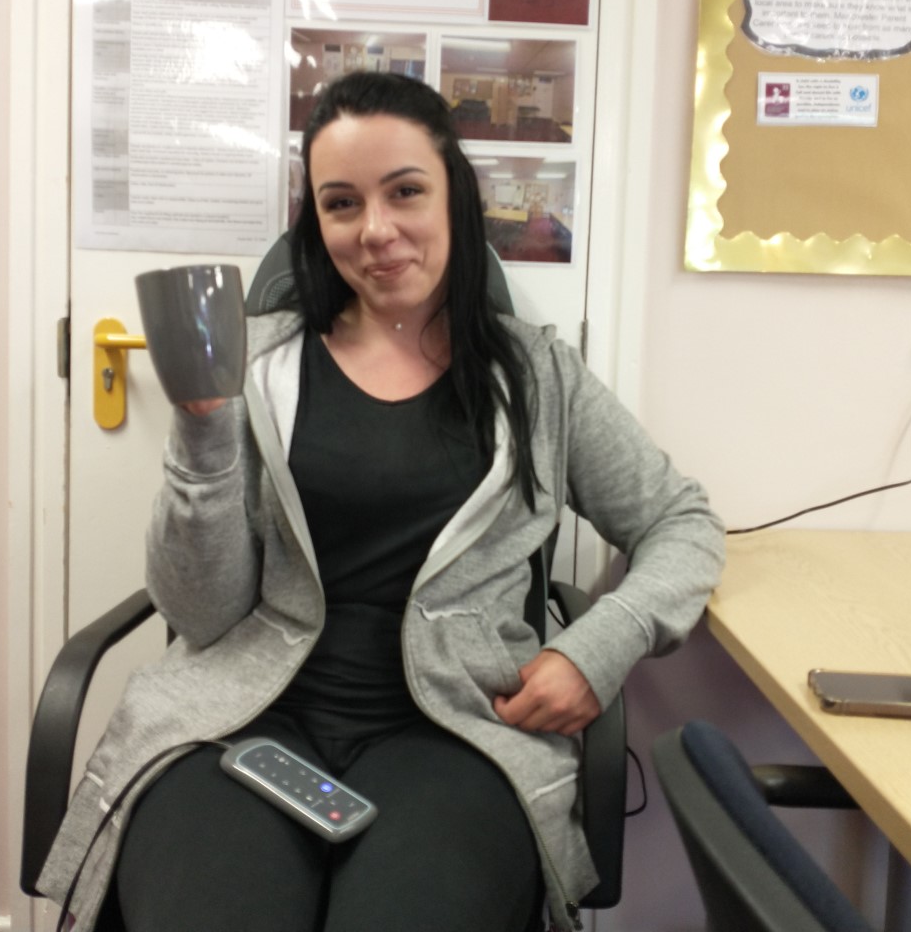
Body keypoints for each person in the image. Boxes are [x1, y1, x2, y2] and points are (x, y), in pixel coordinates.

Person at [37, 72, 726, 932]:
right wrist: (204, 433)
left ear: (455, 197)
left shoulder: (538, 377)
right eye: (340, 204)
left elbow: (680, 523)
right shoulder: (253, 364)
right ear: (314, 223)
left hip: (457, 735)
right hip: (246, 719)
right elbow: (203, 614)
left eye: (404, 191)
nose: (374, 232)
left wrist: (599, 648)